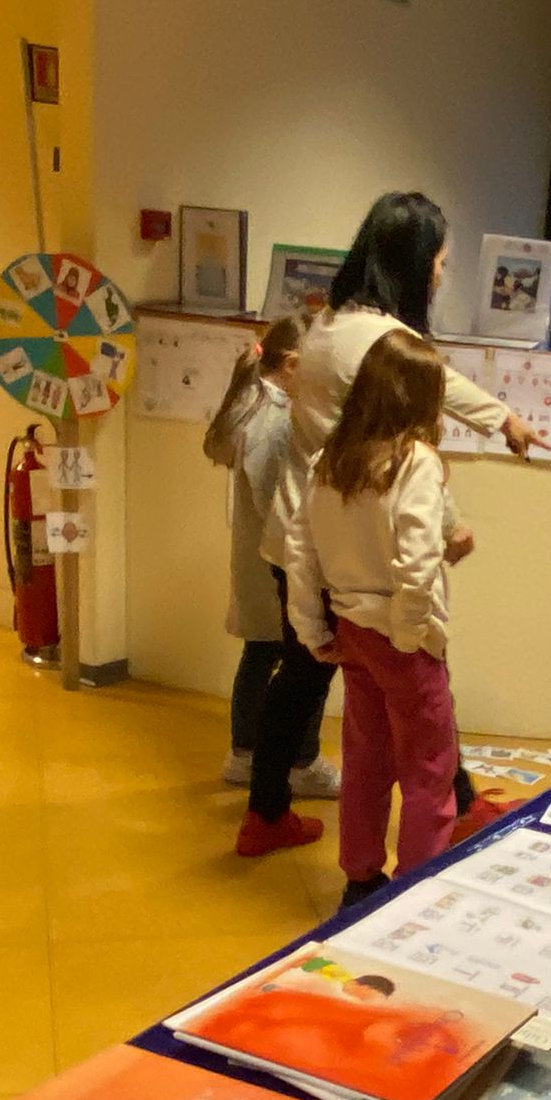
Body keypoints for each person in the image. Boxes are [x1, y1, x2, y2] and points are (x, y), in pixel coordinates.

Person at [236, 191, 544, 859]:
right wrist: (494, 440)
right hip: (356, 556)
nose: (440, 274)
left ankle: (273, 816)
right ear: (411, 261)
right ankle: (443, 816)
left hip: (313, 539)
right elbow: (407, 458)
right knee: (417, 694)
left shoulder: (329, 326)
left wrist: (502, 420)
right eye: (438, 260)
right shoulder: (381, 343)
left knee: (317, 689)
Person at [283, 328, 458, 907]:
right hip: (401, 636)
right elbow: (418, 560)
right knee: (428, 768)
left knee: (366, 758)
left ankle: (360, 879)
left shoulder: (330, 461)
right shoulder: (416, 463)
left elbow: (300, 551)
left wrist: (311, 629)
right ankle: (414, 894)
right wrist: (409, 635)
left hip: (351, 630)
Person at [205, 310, 337, 797]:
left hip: (261, 557)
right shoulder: (274, 419)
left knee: (262, 653)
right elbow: (275, 501)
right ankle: (299, 760)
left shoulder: (253, 403)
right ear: (291, 364)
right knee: (299, 661)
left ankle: (246, 752)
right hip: (275, 560)